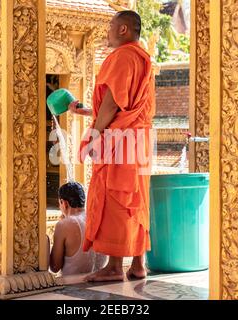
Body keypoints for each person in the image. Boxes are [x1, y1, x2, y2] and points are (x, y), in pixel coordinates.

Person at [69, 10, 156, 282]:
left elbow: (112, 102)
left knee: (115, 197)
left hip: (120, 140)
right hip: (139, 138)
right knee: (135, 199)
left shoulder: (123, 56)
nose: (107, 30)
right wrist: (86, 112)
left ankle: (115, 267)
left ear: (123, 30)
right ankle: (138, 265)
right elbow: (125, 104)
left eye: (110, 25)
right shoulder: (144, 59)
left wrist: (94, 135)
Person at [49, 182, 108, 276]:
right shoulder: (98, 219)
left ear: (64, 203)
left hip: (71, 286)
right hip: (97, 283)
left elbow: (55, 267)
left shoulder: (64, 225)